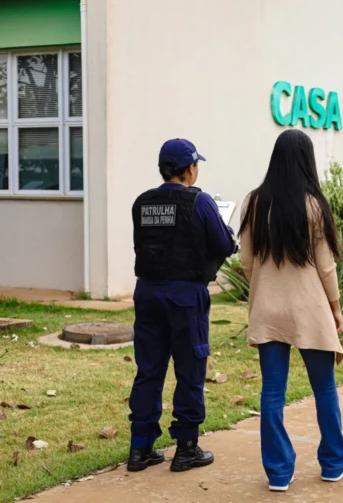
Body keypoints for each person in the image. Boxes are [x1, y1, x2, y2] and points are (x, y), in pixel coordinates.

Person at [239, 129, 343, 492]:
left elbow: (245, 261)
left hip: (268, 309)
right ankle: (334, 464)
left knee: (272, 391)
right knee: (324, 388)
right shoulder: (314, 205)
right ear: (307, 160)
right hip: (310, 309)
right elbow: (326, 267)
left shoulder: (253, 202)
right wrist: (336, 309)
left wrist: (263, 289)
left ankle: (278, 473)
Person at [128, 138, 238, 473]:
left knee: (148, 370)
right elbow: (224, 244)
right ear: (189, 168)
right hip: (185, 296)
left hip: (147, 293)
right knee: (190, 369)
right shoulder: (201, 202)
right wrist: (228, 231)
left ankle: (140, 449)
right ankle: (186, 448)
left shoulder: (141, 203)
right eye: (196, 165)